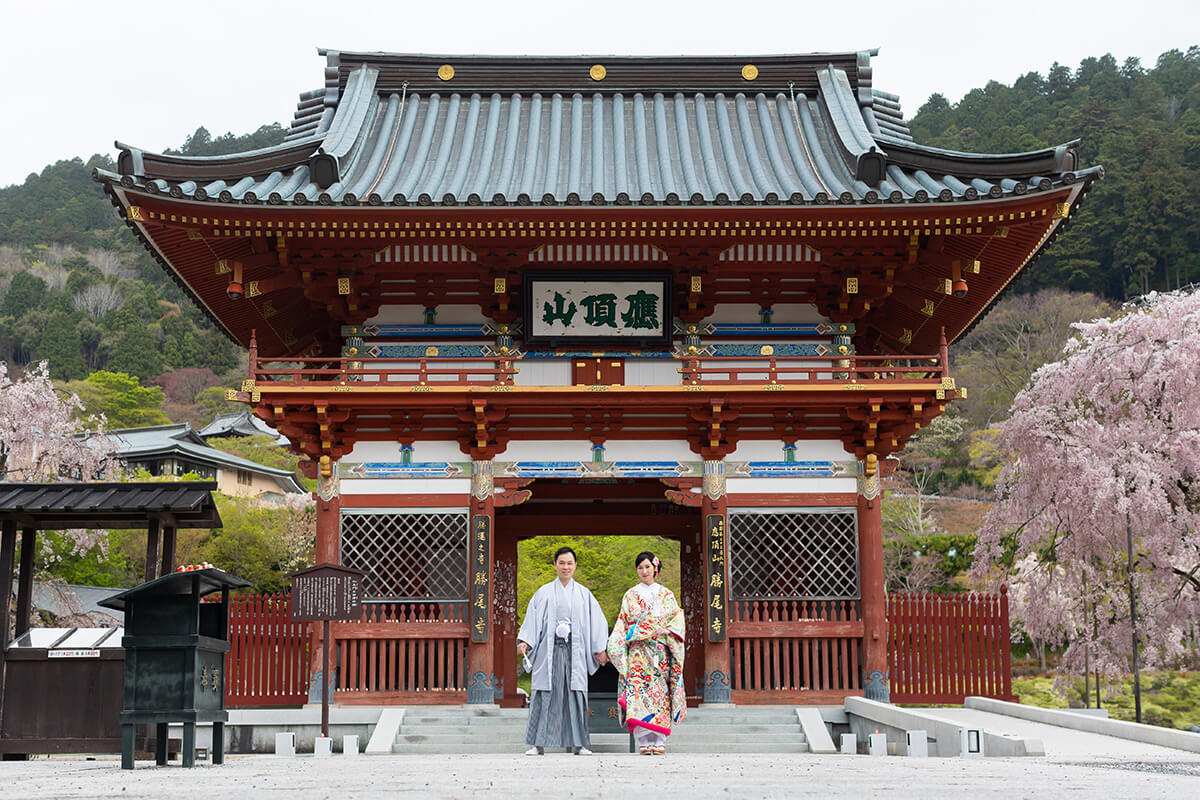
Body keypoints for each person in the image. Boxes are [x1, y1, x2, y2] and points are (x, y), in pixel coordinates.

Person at [517, 546, 609, 755]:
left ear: (575, 565)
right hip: (548, 651)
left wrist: (599, 649)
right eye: (562, 563)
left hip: (574, 650)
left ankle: (579, 744)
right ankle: (537, 744)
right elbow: (532, 622)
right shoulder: (544, 592)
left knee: (574, 694)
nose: (566, 567)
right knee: (544, 693)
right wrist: (526, 642)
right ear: (555, 565)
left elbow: (597, 623)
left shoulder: (584, 594)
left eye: (569, 563)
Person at [606, 551, 686, 755]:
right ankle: (643, 741)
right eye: (640, 567)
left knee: (659, 695)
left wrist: (666, 630)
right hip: (638, 653)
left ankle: (659, 740)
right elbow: (622, 624)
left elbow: (677, 621)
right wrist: (629, 639)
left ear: (655, 568)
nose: (644, 571)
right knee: (638, 694)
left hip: (659, 651)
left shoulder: (666, 594)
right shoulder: (630, 594)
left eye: (647, 567)